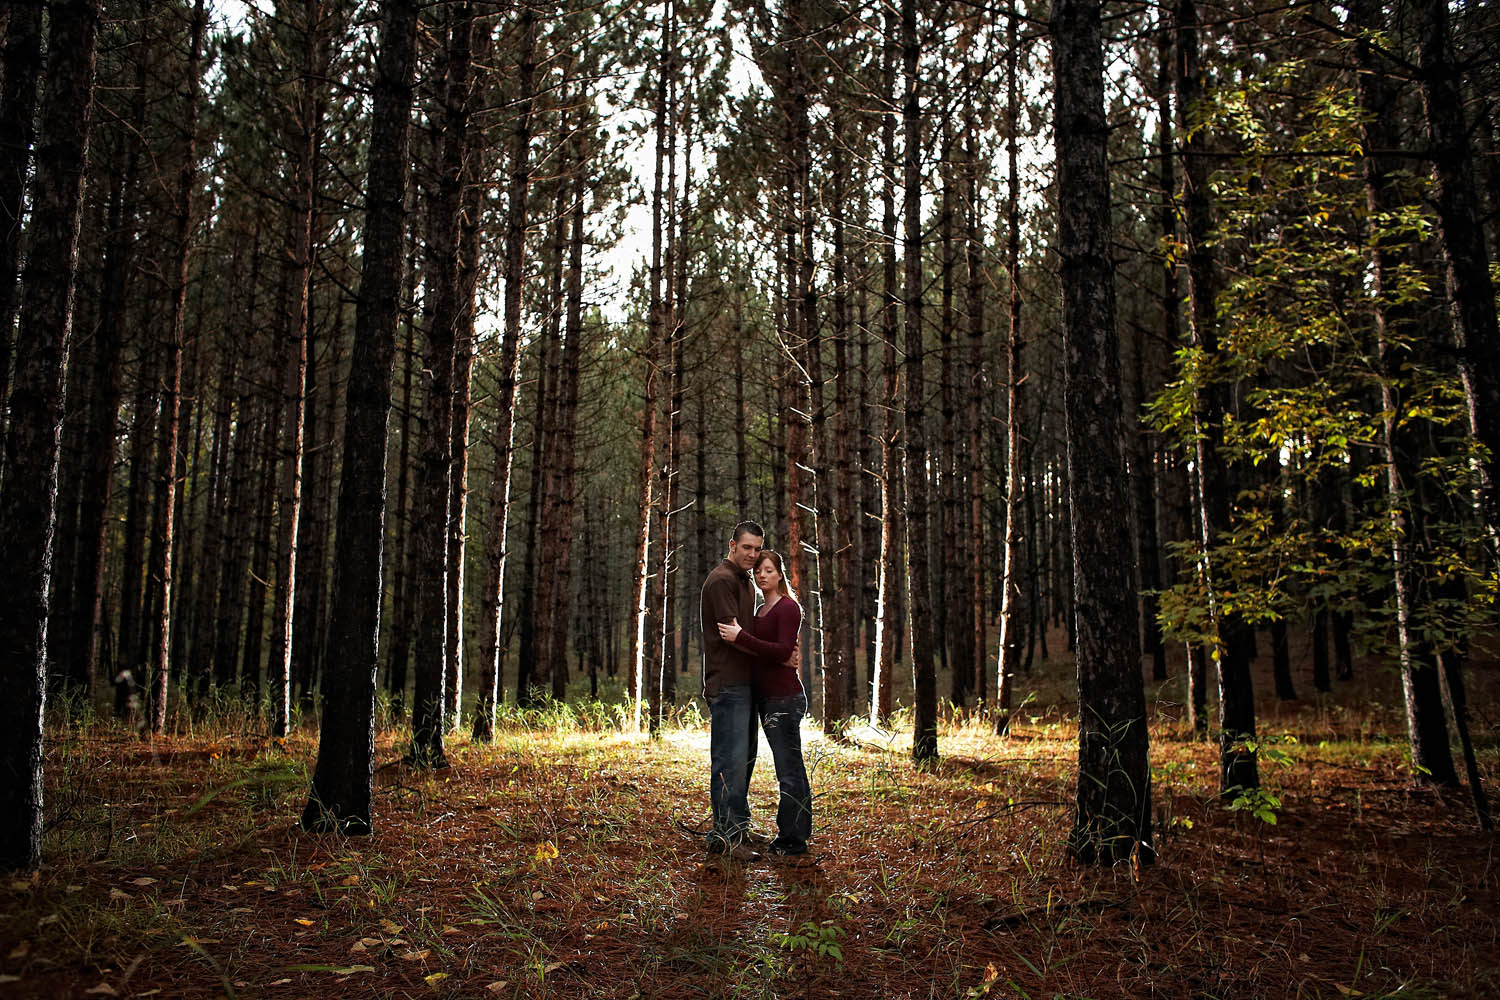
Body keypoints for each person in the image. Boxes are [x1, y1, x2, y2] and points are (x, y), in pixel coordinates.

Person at [718, 550, 812, 857]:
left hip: (783, 699)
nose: (762, 576)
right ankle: (790, 834)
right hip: (767, 698)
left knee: (789, 770)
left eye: (768, 571)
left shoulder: (787, 608)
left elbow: (782, 649)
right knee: (786, 769)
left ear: (780, 574)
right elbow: (771, 652)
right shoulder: (761, 609)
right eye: (758, 571)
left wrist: (740, 636)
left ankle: (793, 840)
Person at [699, 521, 763, 859]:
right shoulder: (722, 580)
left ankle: (737, 826)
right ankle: (725, 837)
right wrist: (773, 650)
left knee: (745, 759)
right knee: (729, 762)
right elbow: (731, 634)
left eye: (757, 549)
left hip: (745, 683)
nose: (752, 554)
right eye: (746, 548)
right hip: (728, 684)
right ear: (732, 545)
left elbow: (745, 633)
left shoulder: (744, 580)